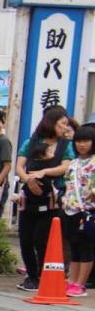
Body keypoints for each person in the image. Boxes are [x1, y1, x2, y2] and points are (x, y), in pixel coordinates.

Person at [15, 108, 74, 292]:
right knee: (25, 239)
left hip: (50, 200)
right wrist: (28, 180)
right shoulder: (30, 142)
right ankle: (31, 276)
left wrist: (44, 172)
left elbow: (65, 167)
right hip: (28, 198)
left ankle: (41, 275)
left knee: (41, 239)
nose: (65, 127)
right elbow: (19, 167)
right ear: (51, 122)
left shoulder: (66, 145)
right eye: (62, 123)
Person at [60, 125, 95, 297]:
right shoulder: (73, 163)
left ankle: (81, 284)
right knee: (74, 246)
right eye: (79, 141)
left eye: (86, 141)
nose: (82, 145)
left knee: (86, 248)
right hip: (70, 210)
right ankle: (72, 281)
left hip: (88, 211)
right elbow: (67, 184)